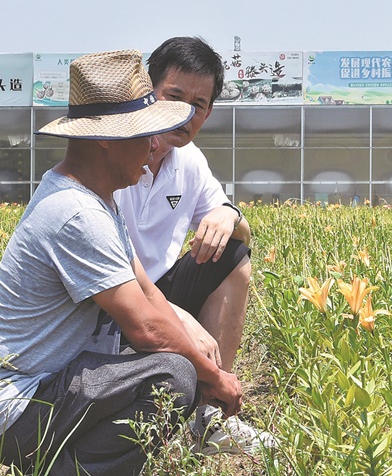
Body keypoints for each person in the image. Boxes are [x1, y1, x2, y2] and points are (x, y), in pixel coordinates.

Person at [0, 50, 243, 475]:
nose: (155, 145)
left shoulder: (96, 198)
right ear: (106, 138)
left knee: (177, 365)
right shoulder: (78, 214)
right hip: (21, 408)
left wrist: (200, 351)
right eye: (146, 133)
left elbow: (148, 289)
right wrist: (213, 376)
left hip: (52, 383)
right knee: (171, 377)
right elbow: (146, 328)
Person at [113, 36, 264, 454]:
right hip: (105, 300)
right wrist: (177, 317)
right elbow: (104, 265)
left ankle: (208, 419)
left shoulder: (189, 160)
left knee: (232, 254)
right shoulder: (115, 152)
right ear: (149, 91)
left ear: (210, 111)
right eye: (173, 96)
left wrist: (229, 214)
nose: (185, 113)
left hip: (154, 291)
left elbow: (240, 234)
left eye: (198, 104)